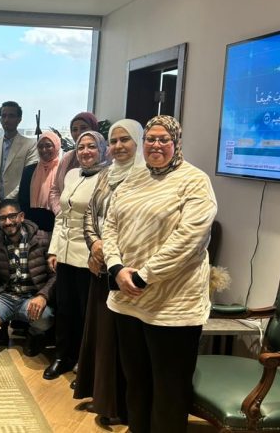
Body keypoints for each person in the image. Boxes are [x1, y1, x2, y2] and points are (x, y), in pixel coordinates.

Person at [104, 115, 217, 433]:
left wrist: (143, 276)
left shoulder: (194, 181)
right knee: (136, 383)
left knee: (169, 391)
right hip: (128, 300)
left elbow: (188, 240)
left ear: (176, 142)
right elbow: (110, 225)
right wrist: (116, 268)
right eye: (150, 139)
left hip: (172, 306)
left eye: (163, 139)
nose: (155, 145)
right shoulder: (134, 179)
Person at [74, 119, 144, 423]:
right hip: (100, 266)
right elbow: (90, 214)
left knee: (121, 339)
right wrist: (95, 245)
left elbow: (140, 226)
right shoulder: (106, 174)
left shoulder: (145, 177)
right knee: (101, 336)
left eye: (125, 140)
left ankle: (122, 407)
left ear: (138, 142)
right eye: (114, 141)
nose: (118, 146)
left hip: (127, 270)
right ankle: (103, 399)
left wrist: (112, 253)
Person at [43, 131, 108, 381]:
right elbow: (62, 216)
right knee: (65, 308)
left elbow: (105, 220)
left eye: (92, 146)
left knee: (85, 312)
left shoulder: (108, 177)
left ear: (102, 149)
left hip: (89, 256)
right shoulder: (71, 174)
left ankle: (84, 362)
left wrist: (98, 253)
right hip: (65, 253)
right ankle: (62, 356)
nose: (85, 151)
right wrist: (54, 249)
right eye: (81, 147)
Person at [0, 199, 55, 356]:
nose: (8, 222)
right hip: (6, 297)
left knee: (46, 318)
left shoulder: (43, 239)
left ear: (21, 216)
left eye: (12, 216)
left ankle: (34, 333)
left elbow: (54, 276)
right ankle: (1, 326)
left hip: (32, 297)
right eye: (3, 218)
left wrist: (43, 296)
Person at [0, 101, 38, 237]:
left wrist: (5, 203)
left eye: (11, 116)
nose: (7, 119)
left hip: (15, 210)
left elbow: (26, 179)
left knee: (14, 246)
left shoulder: (30, 145)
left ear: (19, 119)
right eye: (4, 116)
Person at [48, 112, 99, 214]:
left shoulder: (107, 156)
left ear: (94, 129)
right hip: (65, 218)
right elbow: (55, 190)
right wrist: (59, 211)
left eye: (83, 128)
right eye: (74, 129)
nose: (78, 132)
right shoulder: (68, 157)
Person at [17, 131, 61, 232]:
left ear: (56, 146)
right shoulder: (29, 170)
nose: (44, 150)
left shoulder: (63, 170)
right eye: (40, 146)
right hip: (32, 223)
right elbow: (22, 200)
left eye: (48, 146)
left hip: (56, 223)